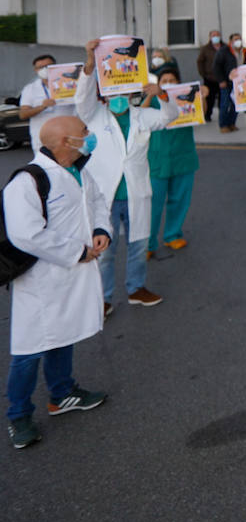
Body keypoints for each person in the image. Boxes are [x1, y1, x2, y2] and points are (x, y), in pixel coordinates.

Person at [4, 116, 112, 449]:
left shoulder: (79, 170)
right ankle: (19, 415)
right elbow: (26, 234)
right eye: (84, 133)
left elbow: (95, 201)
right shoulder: (26, 182)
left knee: (65, 331)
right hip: (42, 280)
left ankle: (62, 393)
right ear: (66, 141)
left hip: (73, 274)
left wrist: (100, 230)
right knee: (28, 349)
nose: (89, 136)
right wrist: (76, 252)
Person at [75, 40, 179, 315]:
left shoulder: (143, 116)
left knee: (138, 244)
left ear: (131, 92)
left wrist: (163, 95)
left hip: (135, 194)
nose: (118, 97)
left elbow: (170, 116)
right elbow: (81, 97)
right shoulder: (93, 115)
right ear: (105, 95)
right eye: (113, 93)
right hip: (105, 198)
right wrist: (89, 60)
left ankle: (136, 289)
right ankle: (104, 297)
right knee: (106, 252)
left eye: (123, 92)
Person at [146, 65, 199, 257]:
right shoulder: (152, 100)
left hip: (183, 156)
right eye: (164, 80)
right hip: (157, 158)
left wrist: (205, 95)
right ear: (158, 83)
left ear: (179, 82)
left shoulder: (187, 96)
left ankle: (172, 234)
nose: (168, 84)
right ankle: (148, 243)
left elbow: (202, 114)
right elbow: (138, 117)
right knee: (153, 203)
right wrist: (151, 95)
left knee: (179, 199)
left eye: (172, 80)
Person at [19, 54, 76, 157]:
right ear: (35, 70)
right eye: (41, 67)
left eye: (48, 66)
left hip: (69, 136)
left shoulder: (70, 84)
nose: (45, 69)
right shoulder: (30, 89)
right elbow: (23, 114)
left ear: (55, 66)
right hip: (43, 140)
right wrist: (42, 106)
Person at [211, 32, 239, 132]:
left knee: (236, 104)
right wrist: (221, 80)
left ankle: (232, 123)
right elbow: (216, 66)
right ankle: (223, 125)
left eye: (239, 39)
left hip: (239, 83)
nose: (238, 41)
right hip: (227, 83)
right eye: (235, 39)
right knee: (225, 104)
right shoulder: (224, 51)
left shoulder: (243, 51)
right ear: (230, 41)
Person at [196, 30, 221, 124]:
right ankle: (207, 115)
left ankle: (222, 116)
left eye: (217, 35)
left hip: (222, 78)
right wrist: (204, 74)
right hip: (209, 78)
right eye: (213, 35)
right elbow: (200, 61)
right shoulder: (205, 49)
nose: (216, 37)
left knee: (223, 99)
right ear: (210, 37)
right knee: (209, 98)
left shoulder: (225, 47)